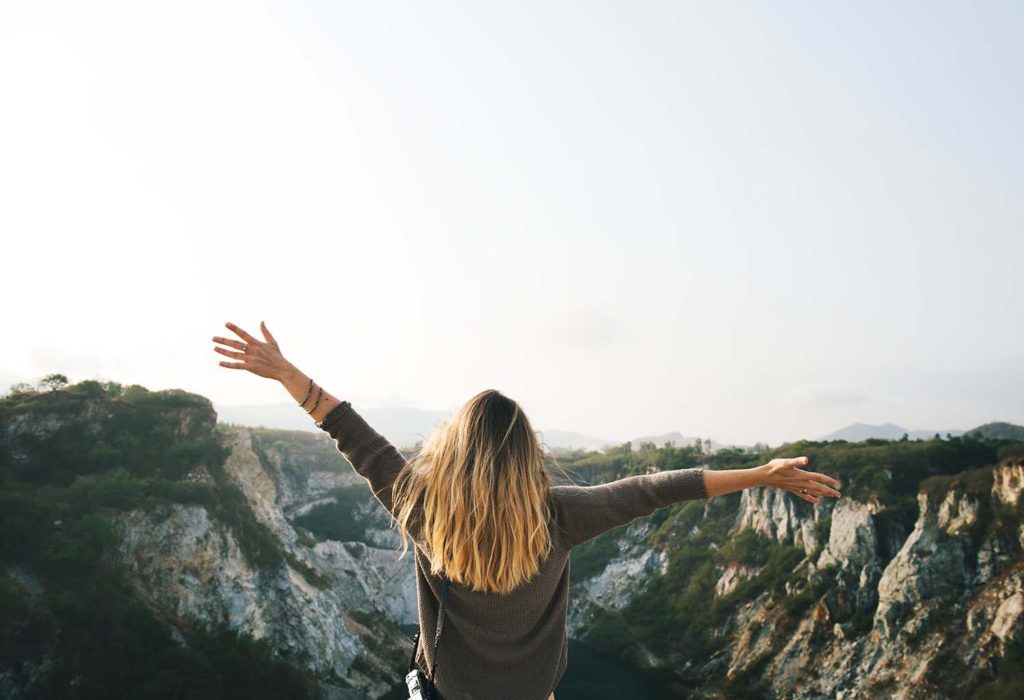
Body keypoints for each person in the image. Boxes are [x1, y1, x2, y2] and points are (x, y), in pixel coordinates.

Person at [213, 321, 842, 700]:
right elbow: (660, 487)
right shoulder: (560, 516)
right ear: (528, 454)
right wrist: (761, 475)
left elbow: (352, 435)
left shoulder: (424, 509)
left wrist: (288, 373)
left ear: (452, 452)